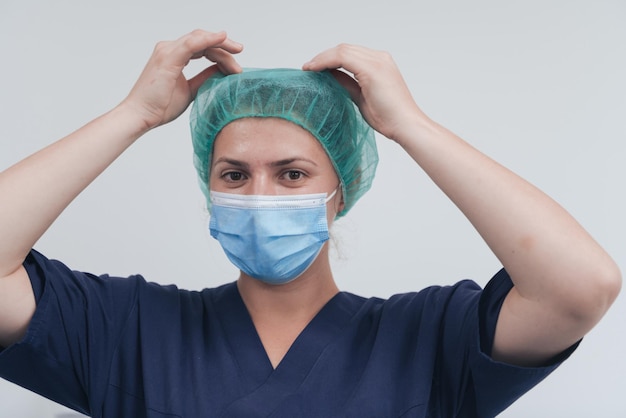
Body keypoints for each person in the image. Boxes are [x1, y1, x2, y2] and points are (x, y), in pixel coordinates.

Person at [0, 29, 620, 417]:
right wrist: (132, 115)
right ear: (209, 188)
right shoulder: (125, 331)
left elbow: (580, 287)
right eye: (235, 175)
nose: (260, 194)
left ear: (340, 191)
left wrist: (411, 126)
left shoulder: (426, 341)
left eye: (292, 174)